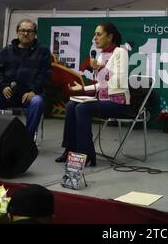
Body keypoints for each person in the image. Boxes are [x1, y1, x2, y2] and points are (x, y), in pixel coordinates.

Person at [55, 22, 131, 166]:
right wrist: (82, 89)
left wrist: (101, 69)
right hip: (102, 101)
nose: (95, 38)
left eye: (99, 34)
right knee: (72, 105)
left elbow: (119, 83)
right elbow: (101, 84)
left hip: (118, 103)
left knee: (82, 108)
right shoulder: (101, 56)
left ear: (109, 37)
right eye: (94, 34)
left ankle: (86, 153)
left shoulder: (120, 53)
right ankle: (70, 149)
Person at [0, 19, 51, 138]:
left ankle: (27, 139)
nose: (25, 34)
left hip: (30, 95)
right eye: (22, 30)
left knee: (37, 102)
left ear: (35, 34)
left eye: (30, 31)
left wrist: (33, 91)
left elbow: (45, 75)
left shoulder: (43, 51)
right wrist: (3, 87)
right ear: (17, 32)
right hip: (8, 93)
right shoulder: (6, 51)